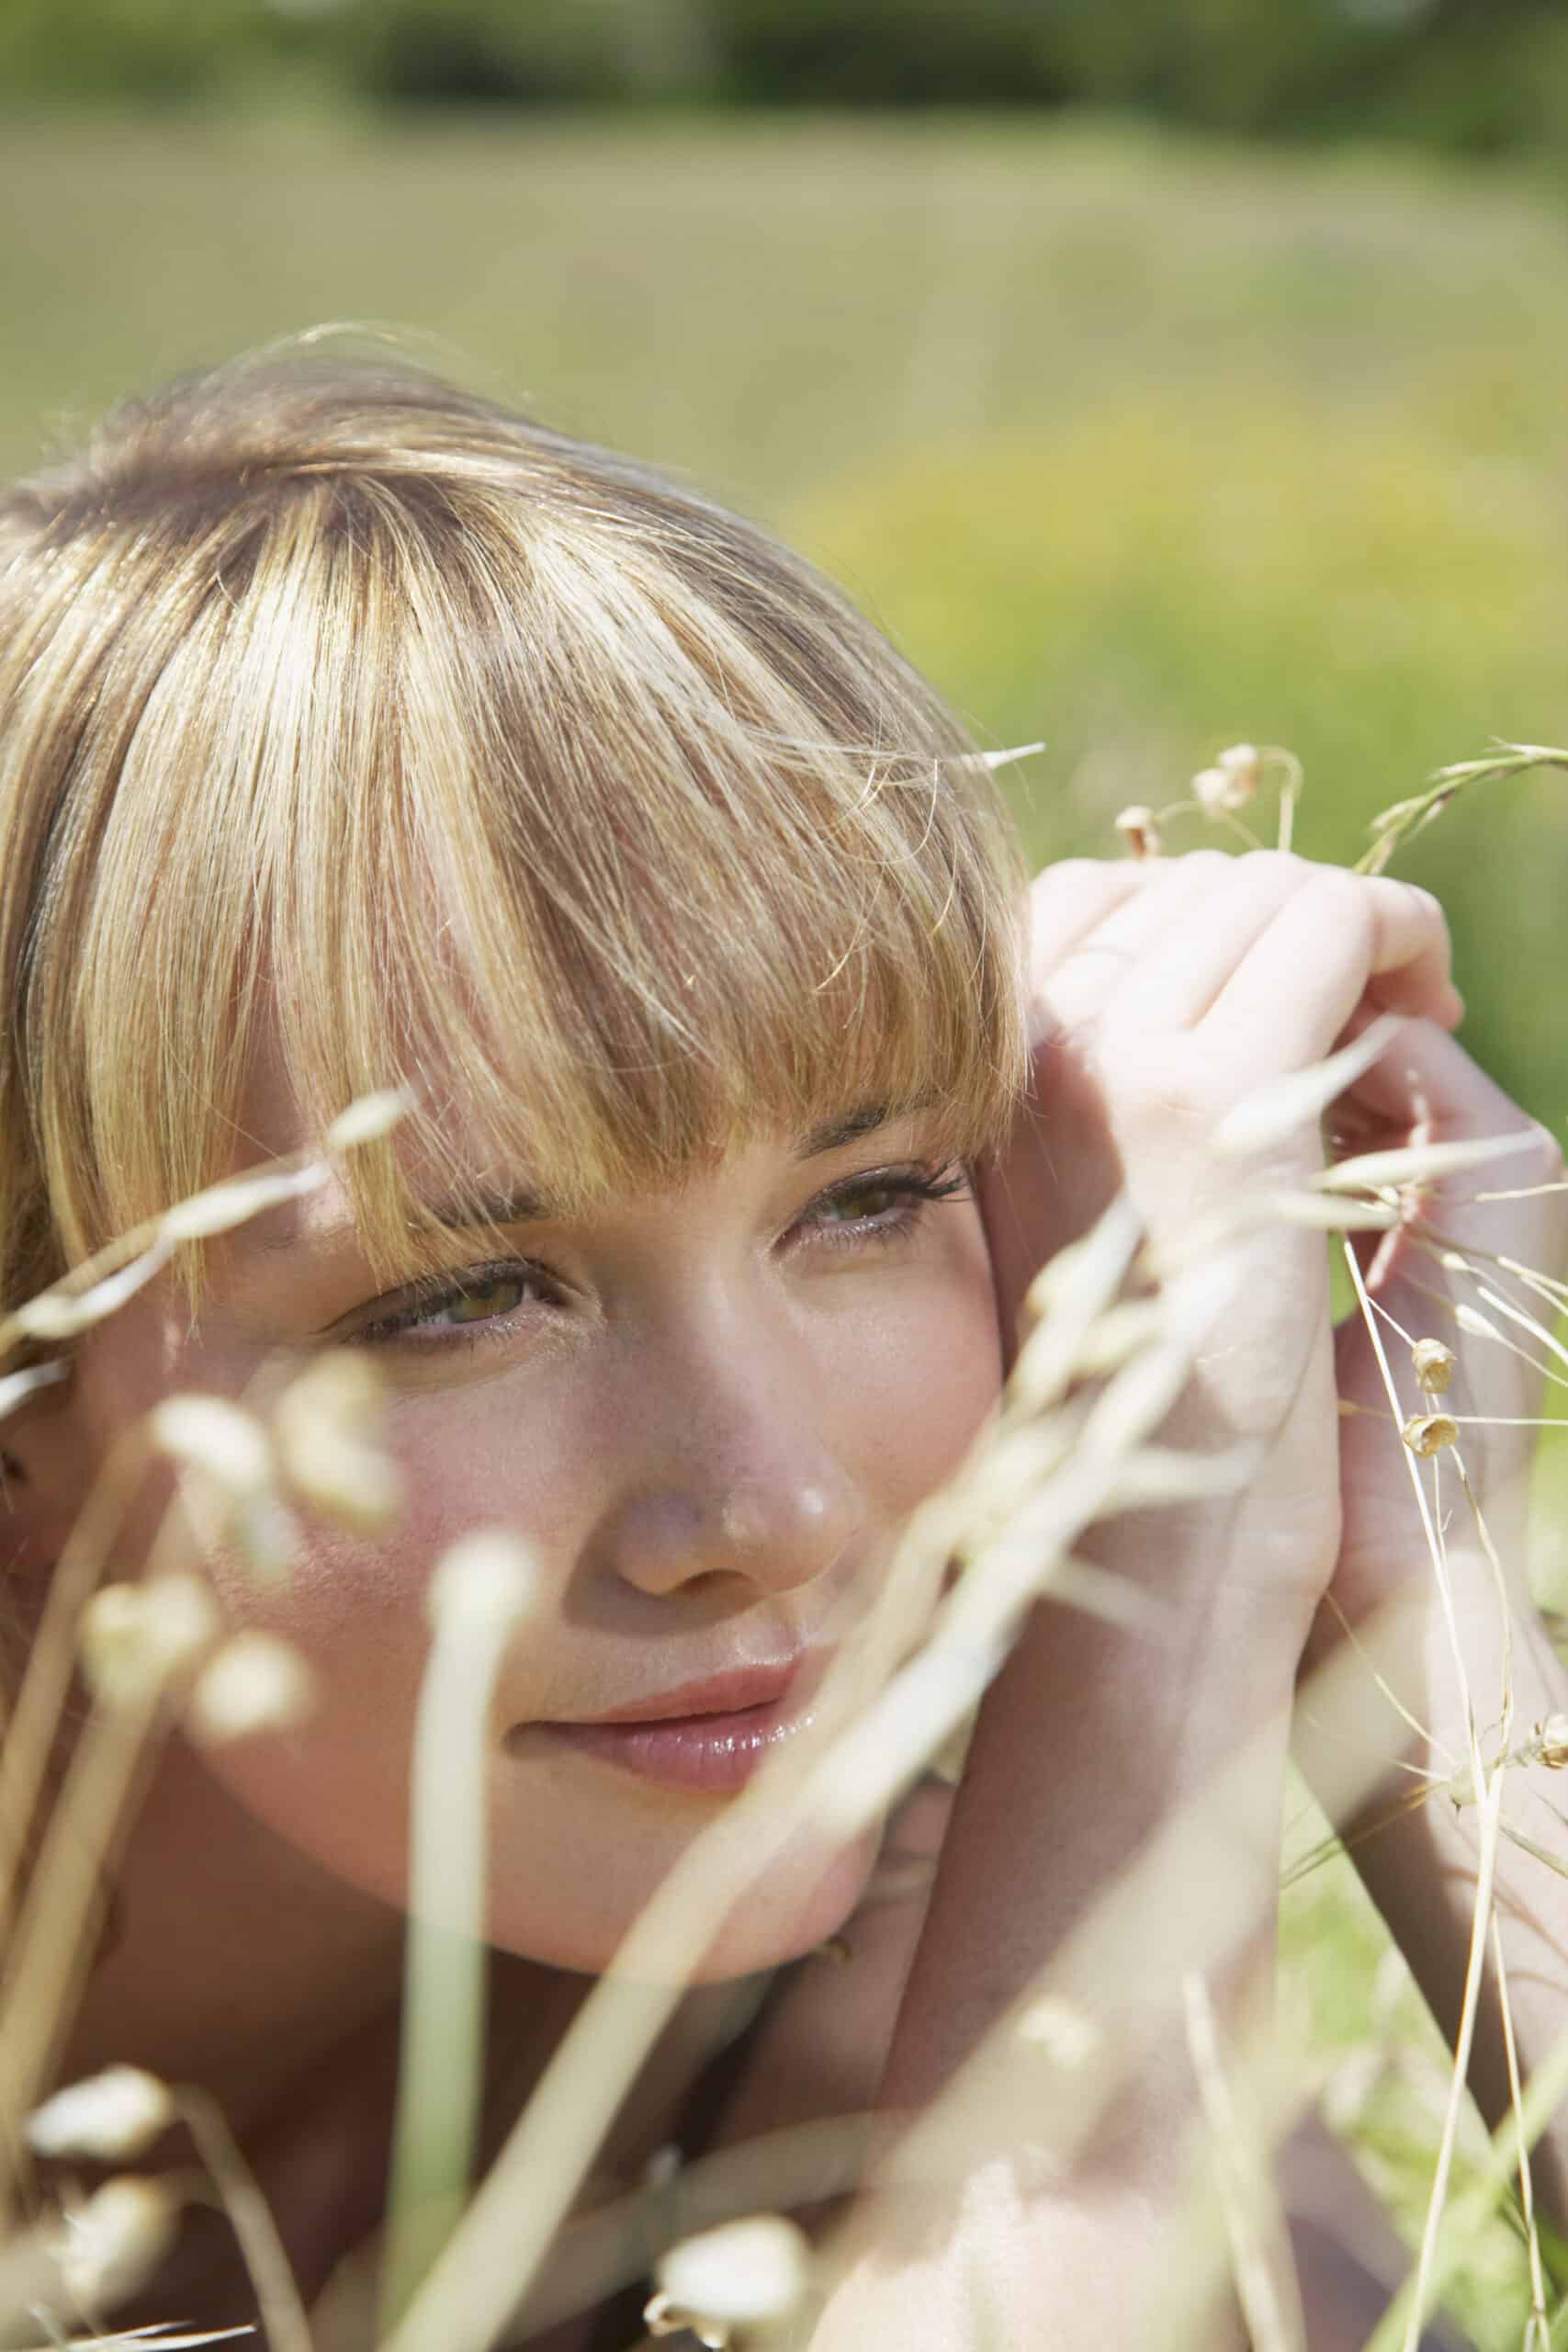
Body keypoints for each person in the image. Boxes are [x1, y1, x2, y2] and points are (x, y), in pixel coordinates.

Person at [0, 341, 1562, 2351]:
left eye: (869, 1197)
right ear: (30, 1436)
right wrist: (1154, 1641)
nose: (770, 1504)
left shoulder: (854, 1925)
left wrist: (1400, 1571)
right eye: (458, 1295)